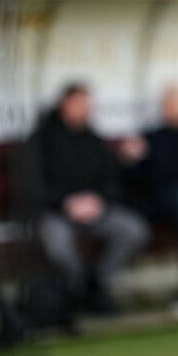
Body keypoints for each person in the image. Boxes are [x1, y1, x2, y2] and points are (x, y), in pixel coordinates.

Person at [25, 83, 149, 315]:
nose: (86, 110)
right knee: (58, 246)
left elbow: (110, 180)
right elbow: (33, 185)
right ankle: (77, 289)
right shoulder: (41, 139)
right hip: (57, 211)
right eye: (81, 104)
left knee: (133, 230)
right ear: (66, 104)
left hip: (94, 211)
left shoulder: (92, 140)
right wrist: (66, 203)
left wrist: (98, 201)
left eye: (88, 105)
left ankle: (96, 285)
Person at [119, 86, 178, 320]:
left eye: (177, 103)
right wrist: (130, 160)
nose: (173, 108)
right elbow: (138, 180)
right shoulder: (151, 137)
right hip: (162, 203)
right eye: (168, 104)